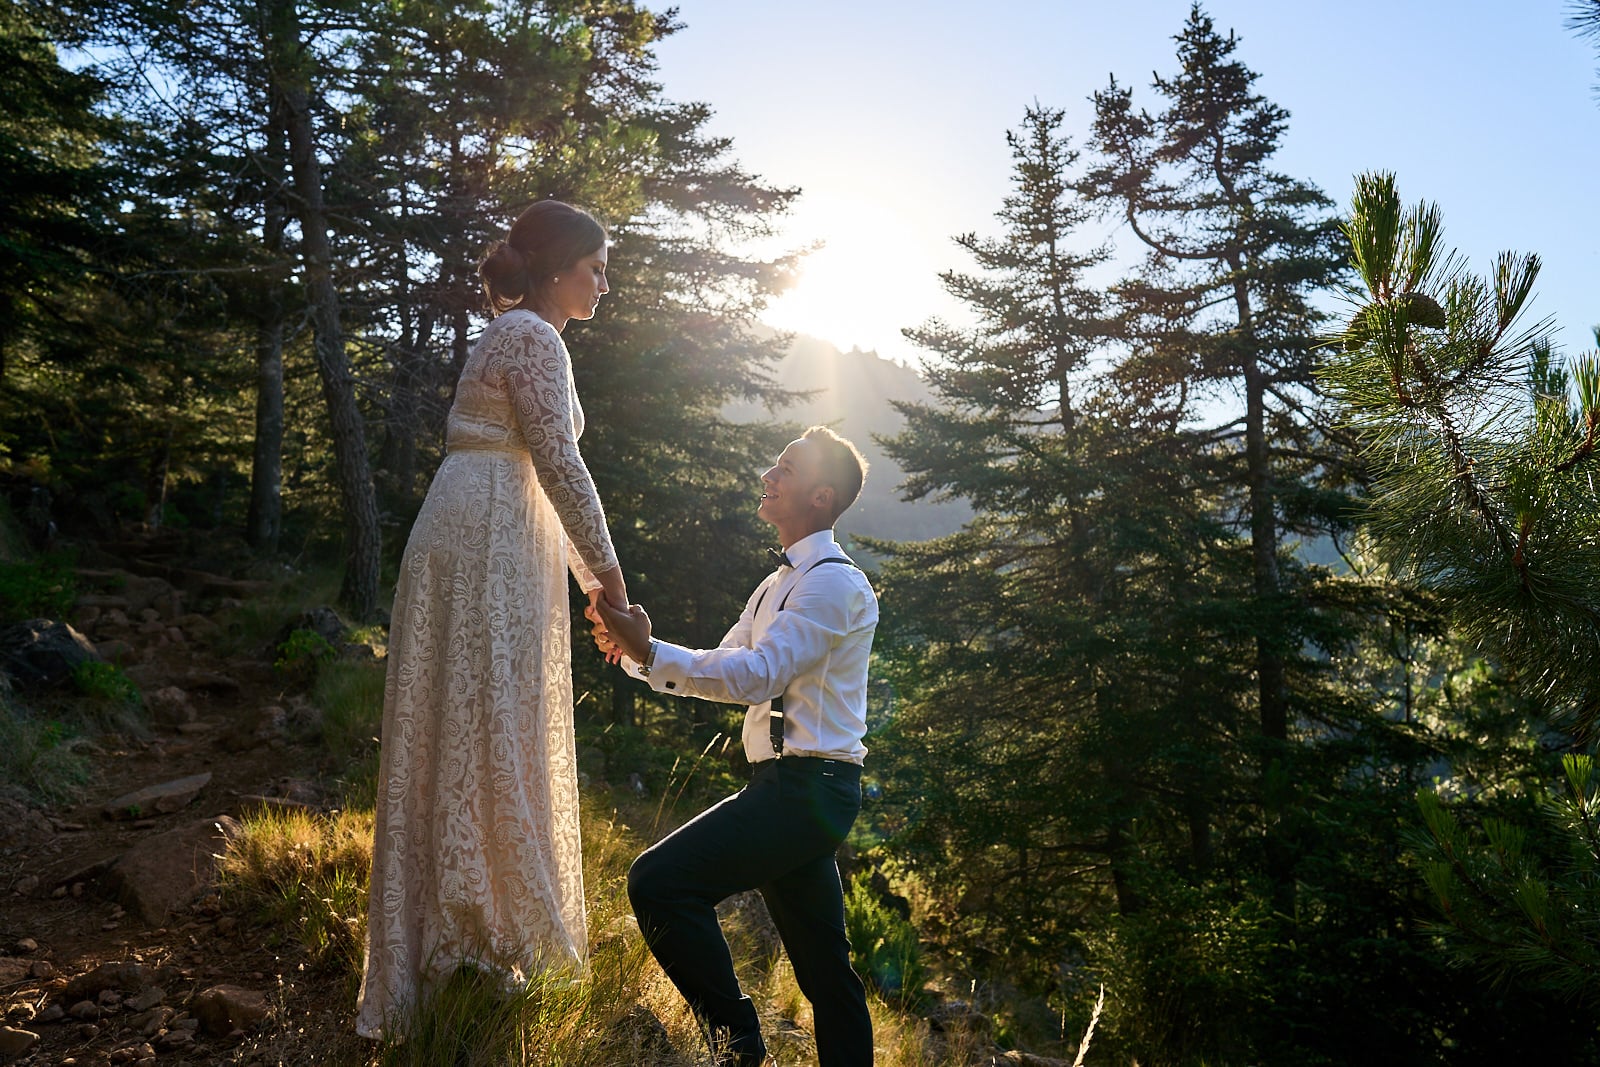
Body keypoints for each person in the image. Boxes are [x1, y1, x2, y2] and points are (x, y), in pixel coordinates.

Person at [355, 200, 627, 1039]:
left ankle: (461, 931)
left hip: (481, 525)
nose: (604, 284)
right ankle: (475, 933)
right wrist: (613, 586)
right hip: (487, 537)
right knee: (491, 720)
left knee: (470, 722)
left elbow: (548, 466)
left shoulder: (514, 333)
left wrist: (587, 580)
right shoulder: (533, 337)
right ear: (556, 269)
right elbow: (559, 461)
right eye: (596, 267)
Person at [590, 426, 878, 1067]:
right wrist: (636, 654)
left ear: (820, 498)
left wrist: (650, 650)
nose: (767, 476)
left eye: (787, 468)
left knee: (659, 883)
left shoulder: (833, 584)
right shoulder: (776, 585)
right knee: (828, 973)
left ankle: (735, 1044)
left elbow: (760, 676)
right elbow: (724, 664)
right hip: (787, 789)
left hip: (807, 790)